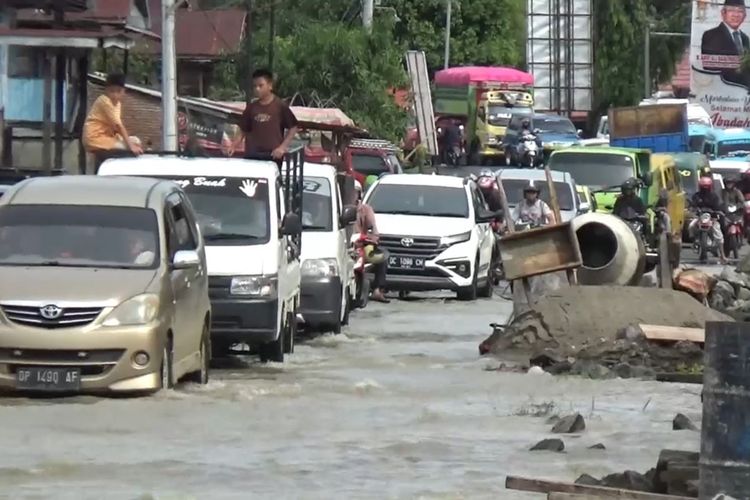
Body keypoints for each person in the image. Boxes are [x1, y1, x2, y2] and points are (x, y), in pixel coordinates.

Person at [227, 68, 299, 160]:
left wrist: (282, 148)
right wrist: (233, 146)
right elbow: (243, 130)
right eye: (255, 86)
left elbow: (293, 127)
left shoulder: (280, 106)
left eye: (261, 86)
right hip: (252, 154)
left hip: (273, 155)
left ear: (270, 86)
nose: (257, 89)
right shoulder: (251, 107)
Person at [83, 73, 143, 172]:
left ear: (124, 91)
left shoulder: (117, 104)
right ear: (106, 91)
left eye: (118, 91)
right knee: (130, 148)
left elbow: (115, 128)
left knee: (136, 140)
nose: (115, 95)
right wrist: (130, 146)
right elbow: (118, 125)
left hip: (106, 137)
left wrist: (131, 143)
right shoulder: (104, 101)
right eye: (112, 91)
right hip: (95, 138)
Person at [353, 181, 389, 303]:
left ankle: (377, 290)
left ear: (359, 194)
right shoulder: (339, 208)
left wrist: (372, 239)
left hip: (362, 246)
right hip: (346, 246)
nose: (352, 195)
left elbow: (373, 229)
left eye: (354, 192)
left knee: (382, 257)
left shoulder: (365, 210)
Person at [689, 176, 728, 263]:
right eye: (703, 187)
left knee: (719, 235)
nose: (705, 189)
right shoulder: (697, 196)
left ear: (710, 186)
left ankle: (722, 255)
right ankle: (694, 240)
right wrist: (692, 208)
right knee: (691, 226)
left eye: (706, 186)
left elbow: (718, 205)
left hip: (712, 218)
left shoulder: (714, 196)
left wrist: (719, 211)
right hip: (700, 217)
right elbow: (692, 205)